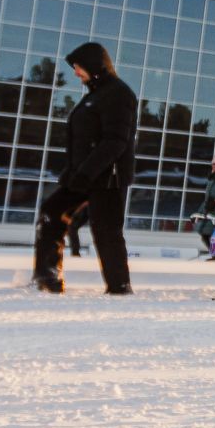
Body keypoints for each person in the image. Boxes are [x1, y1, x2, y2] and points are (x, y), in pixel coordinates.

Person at [33, 41, 137, 295]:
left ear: (95, 65)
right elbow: (84, 141)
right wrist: (73, 172)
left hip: (107, 178)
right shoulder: (95, 94)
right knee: (51, 211)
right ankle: (48, 276)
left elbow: (115, 141)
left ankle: (119, 286)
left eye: (79, 67)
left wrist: (86, 172)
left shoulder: (118, 94)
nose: (76, 73)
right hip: (83, 176)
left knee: (106, 230)